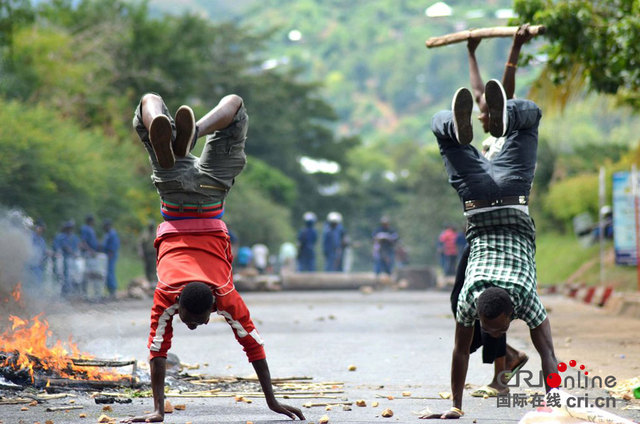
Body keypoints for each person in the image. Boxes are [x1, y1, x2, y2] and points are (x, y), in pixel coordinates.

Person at [123, 92, 304, 423]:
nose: (194, 326)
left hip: (212, 194)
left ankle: (192, 134)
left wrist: (159, 409)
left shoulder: (210, 295)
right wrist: (271, 401)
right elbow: (252, 347)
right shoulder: (182, 294)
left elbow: (158, 352)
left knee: (235, 107)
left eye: (192, 321)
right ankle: (190, 134)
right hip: (175, 195)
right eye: (199, 321)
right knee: (148, 103)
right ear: (213, 308)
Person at [422, 80, 557, 419]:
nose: (492, 333)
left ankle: (472, 125)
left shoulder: (476, 298)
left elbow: (459, 352)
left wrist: (557, 406)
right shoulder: (517, 298)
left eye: (495, 329)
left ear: (511, 313)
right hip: (499, 192)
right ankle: (492, 122)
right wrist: (454, 407)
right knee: (443, 124)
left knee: (529, 116)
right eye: (492, 328)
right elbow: (548, 355)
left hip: (492, 195)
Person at [467, 24, 533, 158]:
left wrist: (516, 46)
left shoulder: (509, 139)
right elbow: (478, 94)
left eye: (484, 113)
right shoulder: (490, 143)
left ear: (497, 114)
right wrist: (471, 52)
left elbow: (507, 87)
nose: (479, 116)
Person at [52, 220, 80, 297]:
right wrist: (61, 251)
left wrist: (76, 253)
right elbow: (57, 248)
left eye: (71, 228)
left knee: (73, 277)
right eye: (68, 228)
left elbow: (77, 248)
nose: (70, 229)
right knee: (61, 277)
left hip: (72, 260)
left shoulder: (74, 237)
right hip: (62, 260)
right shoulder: (60, 237)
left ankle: (71, 293)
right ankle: (62, 293)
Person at [80, 214, 103, 300]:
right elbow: (83, 242)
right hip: (89, 254)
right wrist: (90, 250)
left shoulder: (90, 229)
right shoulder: (85, 229)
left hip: (93, 254)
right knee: (89, 274)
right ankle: (86, 294)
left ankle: (94, 294)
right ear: (90, 221)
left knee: (95, 273)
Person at [101, 219, 120, 298]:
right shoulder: (107, 234)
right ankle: (109, 290)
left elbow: (114, 246)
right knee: (107, 273)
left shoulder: (112, 234)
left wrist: (110, 254)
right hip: (107, 255)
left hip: (111, 255)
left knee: (110, 272)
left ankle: (112, 291)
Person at [138, 219, 157, 284]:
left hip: (154, 253)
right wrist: (141, 252)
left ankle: (154, 280)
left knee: (154, 266)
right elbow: (140, 243)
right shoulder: (145, 234)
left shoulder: (156, 233)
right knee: (147, 267)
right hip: (147, 253)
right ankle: (148, 280)